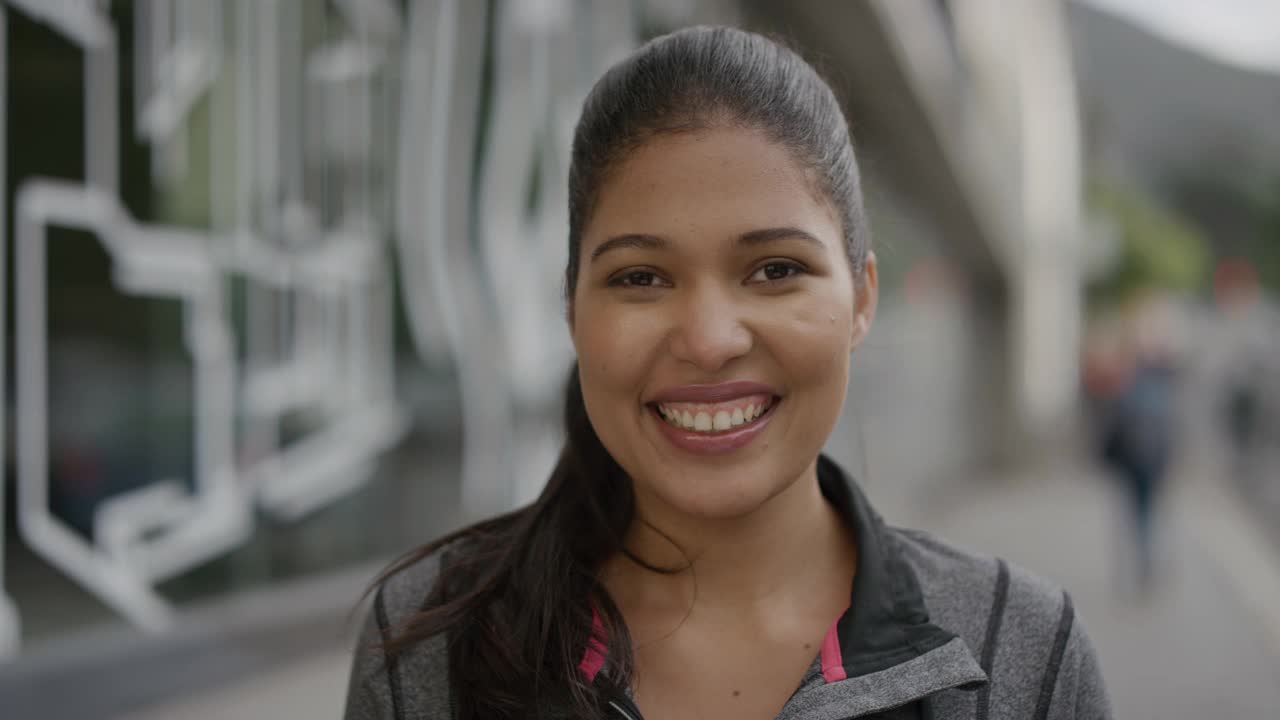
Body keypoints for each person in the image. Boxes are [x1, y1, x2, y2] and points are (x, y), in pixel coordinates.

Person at [345, 26, 1111, 720]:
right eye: (641, 278)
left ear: (861, 300)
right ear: (571, 310)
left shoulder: (1025, 655)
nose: (709, 341)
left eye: (775, 269)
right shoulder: (429, 644)